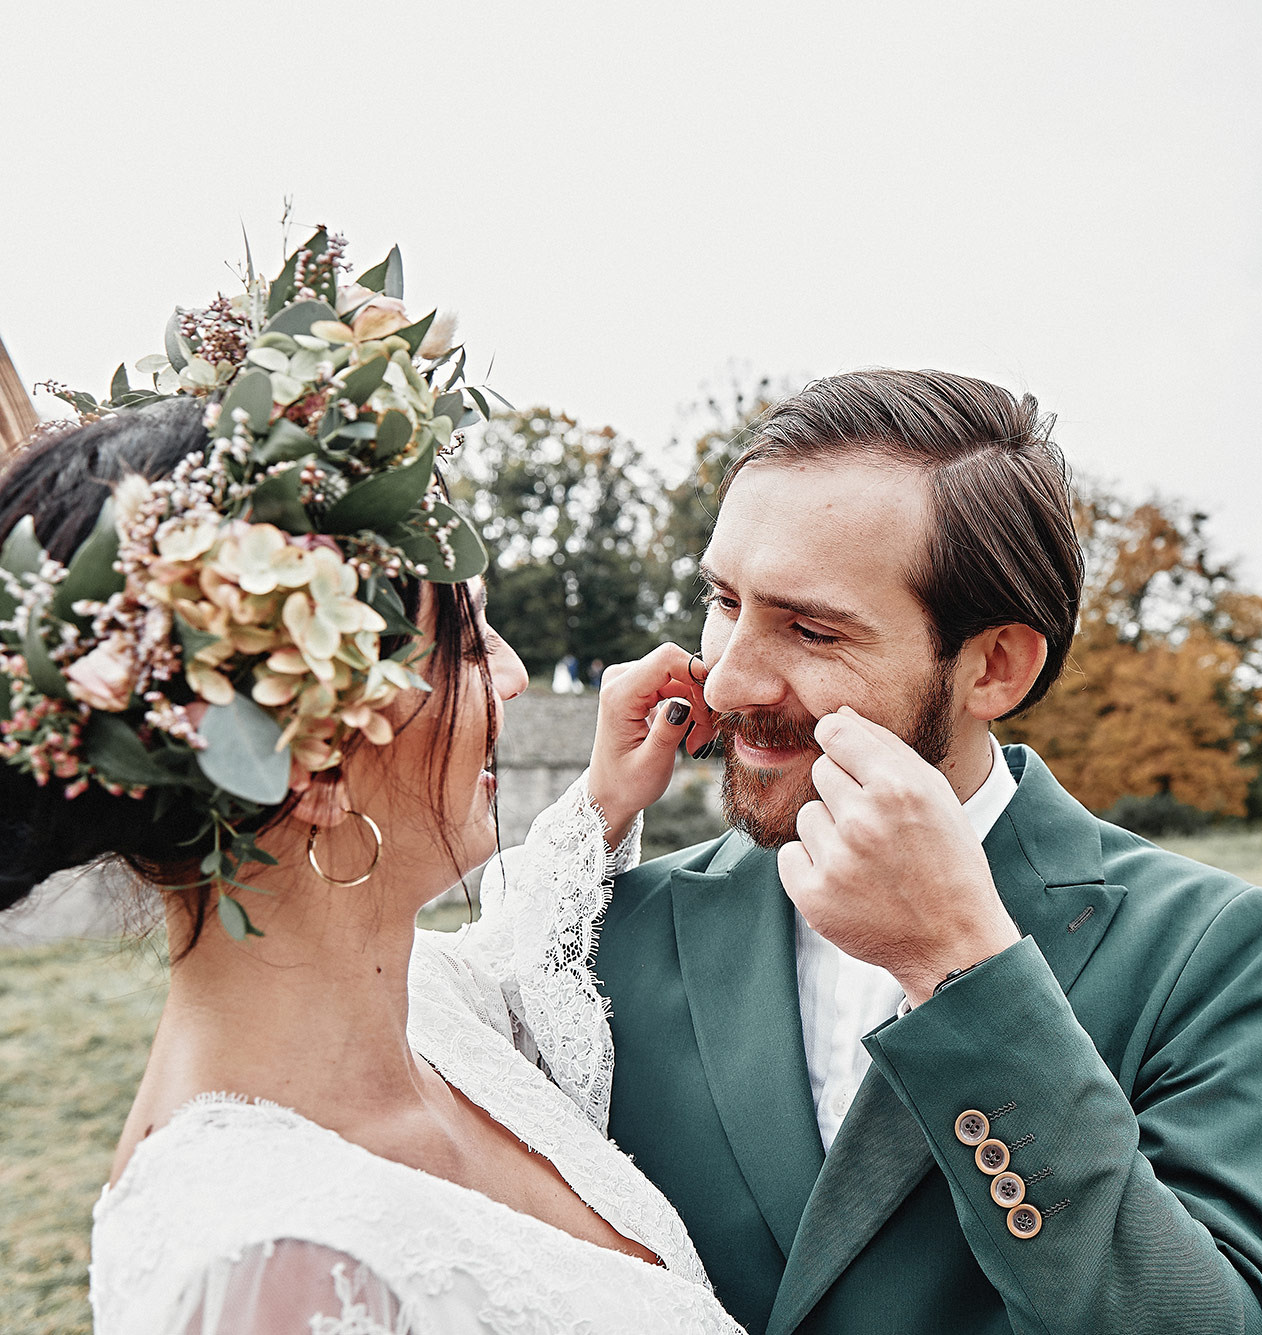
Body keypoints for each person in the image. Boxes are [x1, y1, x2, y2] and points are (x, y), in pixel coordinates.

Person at [0, 236, 737, 1333]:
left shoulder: (421, 1009)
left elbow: (512, 961)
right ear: (316, 758)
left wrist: (600, 806)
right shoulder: (272, 1274)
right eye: (470, 640)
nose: (519, 677)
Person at [576, 370, 1262, 1334]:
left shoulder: (1205, 946)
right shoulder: (618, 927)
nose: (726, 680)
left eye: (811, 627)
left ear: (994, 666)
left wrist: (963, 969)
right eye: (724, 600)